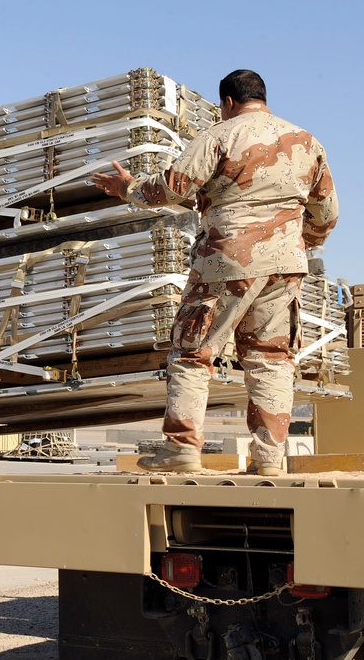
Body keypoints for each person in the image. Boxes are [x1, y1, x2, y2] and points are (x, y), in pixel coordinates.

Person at [91, 69, 338, 476]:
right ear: (263, 97)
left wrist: (128, 188)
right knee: (271, 359)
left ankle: (182, 449)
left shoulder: (221, 135)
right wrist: (295, 243)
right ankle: (270, 461)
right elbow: (327, 214)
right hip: (287, 266)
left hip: (227, 261)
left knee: (193, 352)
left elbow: (171, 189)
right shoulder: (308, 142)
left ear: (226, 102)